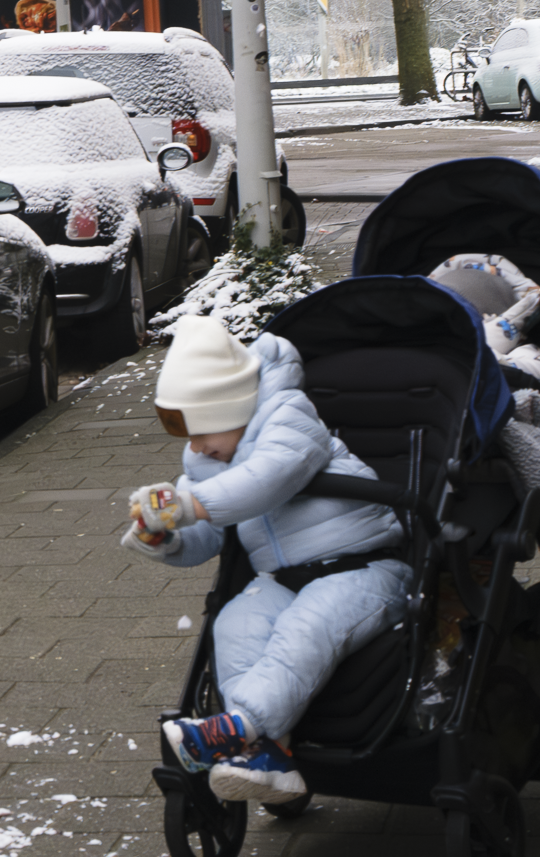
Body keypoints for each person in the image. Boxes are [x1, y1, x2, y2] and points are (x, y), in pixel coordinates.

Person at [126, 315, 408, 803]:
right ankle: (268, 756)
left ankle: (239, 729)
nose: (194, 449)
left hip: (365, 569)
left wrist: (188, 504)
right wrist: (165, 536)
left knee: (309, 625)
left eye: (200, 433)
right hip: (283, 579)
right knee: (233, 622)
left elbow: (267, 479)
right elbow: (211, 535)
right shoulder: (210, 459)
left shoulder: (290, 418)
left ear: (229, 408)